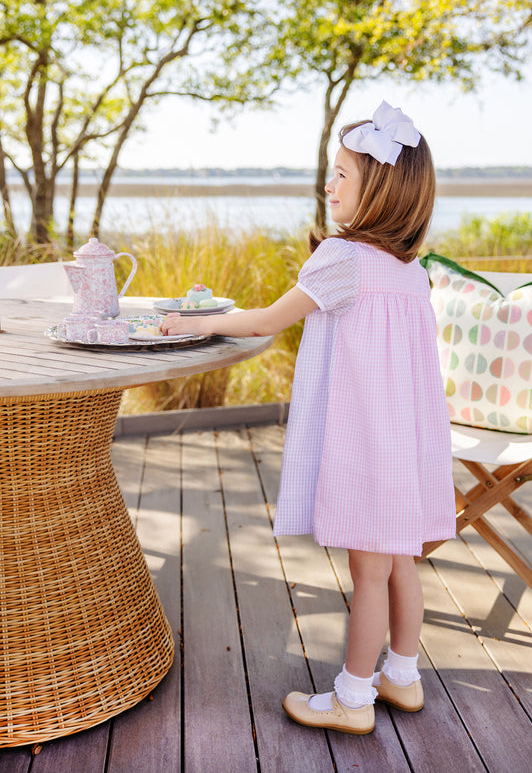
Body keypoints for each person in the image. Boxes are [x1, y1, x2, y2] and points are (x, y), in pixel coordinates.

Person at [160, 100, 455, 735]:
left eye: (342, 174)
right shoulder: (411, 273)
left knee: (369, 571)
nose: (330, 185)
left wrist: (198, 320)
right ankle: (401, 677)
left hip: (367, 447)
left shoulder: (342, 260)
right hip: (406, 446)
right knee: (401, 562)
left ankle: (353, 698)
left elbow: (266, 320)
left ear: (376, 192)